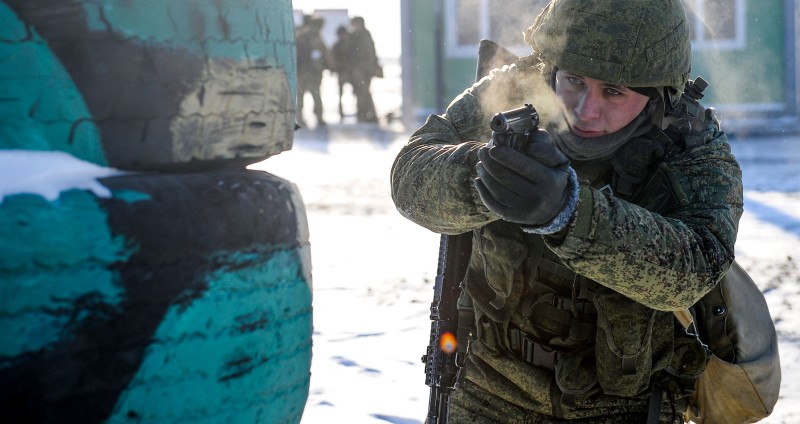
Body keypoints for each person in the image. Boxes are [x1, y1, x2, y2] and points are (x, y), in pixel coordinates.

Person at [390, 0, 743, 422]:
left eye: (614, 91)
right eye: (574, 80)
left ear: (657, 95)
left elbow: (695, 269)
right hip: (484, 392)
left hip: (624, 409)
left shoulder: (691, 146)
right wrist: (485, 175)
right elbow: (409, 177)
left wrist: (569, 214)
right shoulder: (517, 90)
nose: (585, 110)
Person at [295, 15, 331, 128]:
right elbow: (324, 53)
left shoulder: (302, 35)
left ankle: (301, 118)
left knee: (303, 96)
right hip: (310, 72)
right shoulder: (313, 36)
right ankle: (315, 118)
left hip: (305, 72)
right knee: (314, 95)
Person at [347, 16, 379, 123]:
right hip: (359, 69)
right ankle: (367, 114)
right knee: (362, 92)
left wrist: (364, 67)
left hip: (362, 70)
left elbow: (369, 54)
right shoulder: (357, 36)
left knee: (363, 92)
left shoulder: (363, 36)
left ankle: (365, 115)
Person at [331, 25, 353, 122]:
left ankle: (360, 112)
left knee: (355, 92)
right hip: (343, 71)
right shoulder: (338, 45)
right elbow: (333, 59)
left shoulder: (351, 44)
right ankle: (341, 111)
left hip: (350, 71)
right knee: (341, 93)